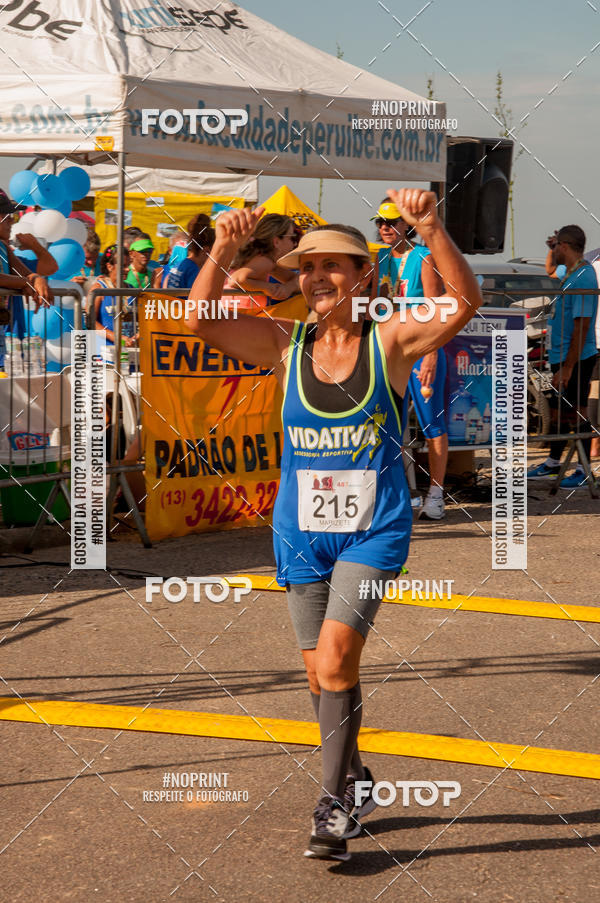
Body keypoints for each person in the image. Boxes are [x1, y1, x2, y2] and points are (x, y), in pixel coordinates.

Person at [185, 189, 483, 861]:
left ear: (364, 276)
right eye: (307, 266)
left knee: (336, 656)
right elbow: (200, 322)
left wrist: (431, 228)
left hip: (372, 530)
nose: (316, 277)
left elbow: (463, 302)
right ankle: (356, 778)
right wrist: (223, 250)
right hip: (298, 533)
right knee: (320, 677)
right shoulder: (283, 342)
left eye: (333, 266)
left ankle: (333, 804)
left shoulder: (392, 341)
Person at [374, 199, 448, 519]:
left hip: (421, 350)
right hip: (391, 352)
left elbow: (436, 310)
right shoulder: (379, 258)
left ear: (408, 225)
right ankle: (397, 493)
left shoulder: (425, 257)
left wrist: (430, 355)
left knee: (432, 422)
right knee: (389, 424)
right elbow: (376, 306)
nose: (384, 228)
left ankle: (436, 493)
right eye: (379, 222)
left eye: (391, 222)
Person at [529, 224, 598, 487]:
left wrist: (568, 368)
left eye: (556, 245)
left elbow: (581, 326)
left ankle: (583, 469)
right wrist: (550, 249)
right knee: (558, 411)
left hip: (577, 358)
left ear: (566, 247)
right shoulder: (570, 272)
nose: (554, 249)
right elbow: (550, 269)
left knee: (577, 412)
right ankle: (552, 463)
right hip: (561, 356)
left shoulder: (583, 277)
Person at [225, 213, 300, 303]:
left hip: (236, 309)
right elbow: (235, 280)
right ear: (276, 242)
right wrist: (267, 287)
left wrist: (288, 287)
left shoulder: (267, 261)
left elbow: (297, 278)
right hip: (240, 310)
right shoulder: (265, 261)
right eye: (292, 238)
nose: (294, 244)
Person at [91, 244, 137, 352]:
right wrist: (116, 337)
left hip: (129, 351)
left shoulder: (132, 289)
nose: (127, 269)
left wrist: (137, 337)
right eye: (123, 266)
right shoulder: (99, 288)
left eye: (128, 265)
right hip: (105, 350)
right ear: (109, 266)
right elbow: (91, 321)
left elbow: (141, 320)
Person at [152, 214, 215, 290]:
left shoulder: (180, 264)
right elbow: (196, 300)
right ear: (206, 251)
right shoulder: (193, 270)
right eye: (214, 252)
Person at [70, 228, 102, 292]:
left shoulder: (105, 260)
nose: (91, 262)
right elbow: (53, 284)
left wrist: (107, 281)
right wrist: (69, 284)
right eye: (87, 258)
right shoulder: (67, 262)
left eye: (95, 257)